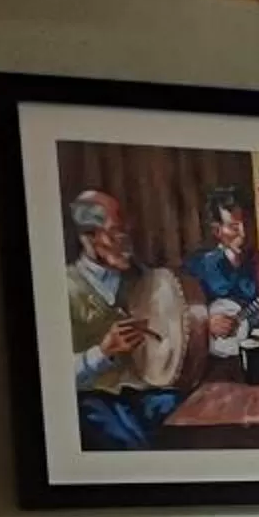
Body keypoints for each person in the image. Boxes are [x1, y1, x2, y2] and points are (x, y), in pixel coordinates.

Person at [63, 190, 185, 450]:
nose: (127, 242)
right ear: (90, 237)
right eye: (116, 232)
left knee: (197, 418)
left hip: (148, 393)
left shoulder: (142, 281)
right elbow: (52, 376)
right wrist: (103, 351)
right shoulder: (64, 287)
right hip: (96, 399)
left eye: (126, 231)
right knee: (137, 450)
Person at [186, 186, 259, 379]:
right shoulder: (198, 266)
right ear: (217, 231)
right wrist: (205, 324)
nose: (244, 233)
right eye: (234, 227)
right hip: (209, 368)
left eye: (248, 223)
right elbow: (177, 319)